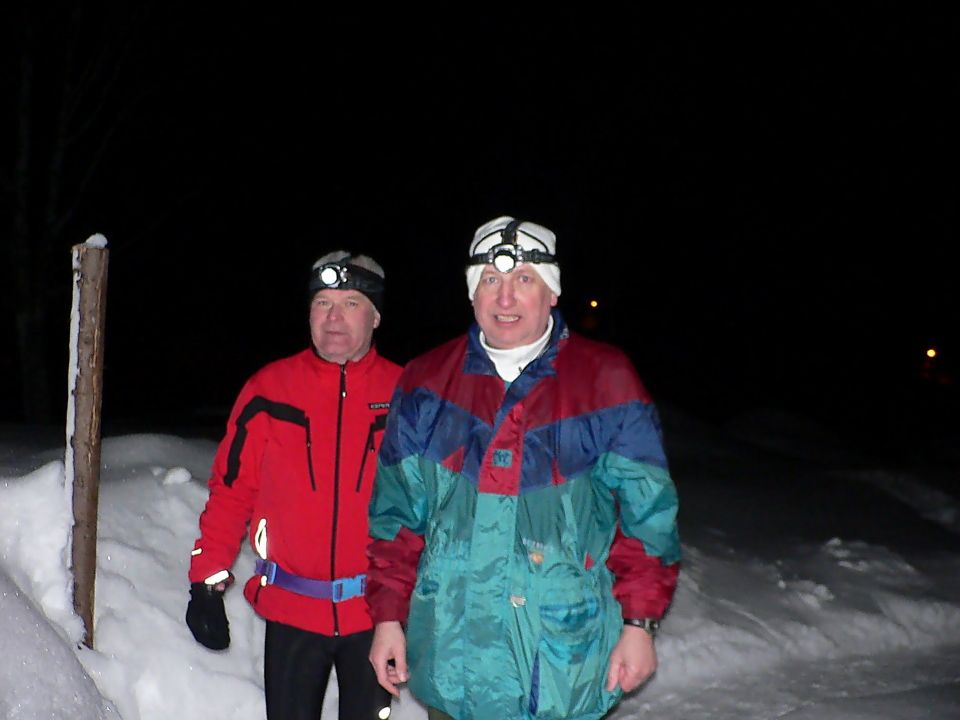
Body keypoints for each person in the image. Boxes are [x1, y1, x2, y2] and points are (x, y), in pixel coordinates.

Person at [365, 217, 681, 720]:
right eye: (490, 279)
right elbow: (396, 517)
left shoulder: (606, 380)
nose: (505, 297)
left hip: (560, 666)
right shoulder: (426, 381)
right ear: (473, 293)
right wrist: (388, 617)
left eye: (524, 279)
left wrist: (639, 624)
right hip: (451, 660)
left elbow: (648, 517)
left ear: (552, 293)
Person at [186, 251, 403, 720]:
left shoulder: (406, 396)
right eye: (323, 303)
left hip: (375, 613)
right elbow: (231, 490)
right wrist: (206, 581)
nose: (333, 317)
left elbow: (432, 507)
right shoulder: (269, 391)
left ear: (376, 316)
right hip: (291, 610)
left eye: (350, 303)